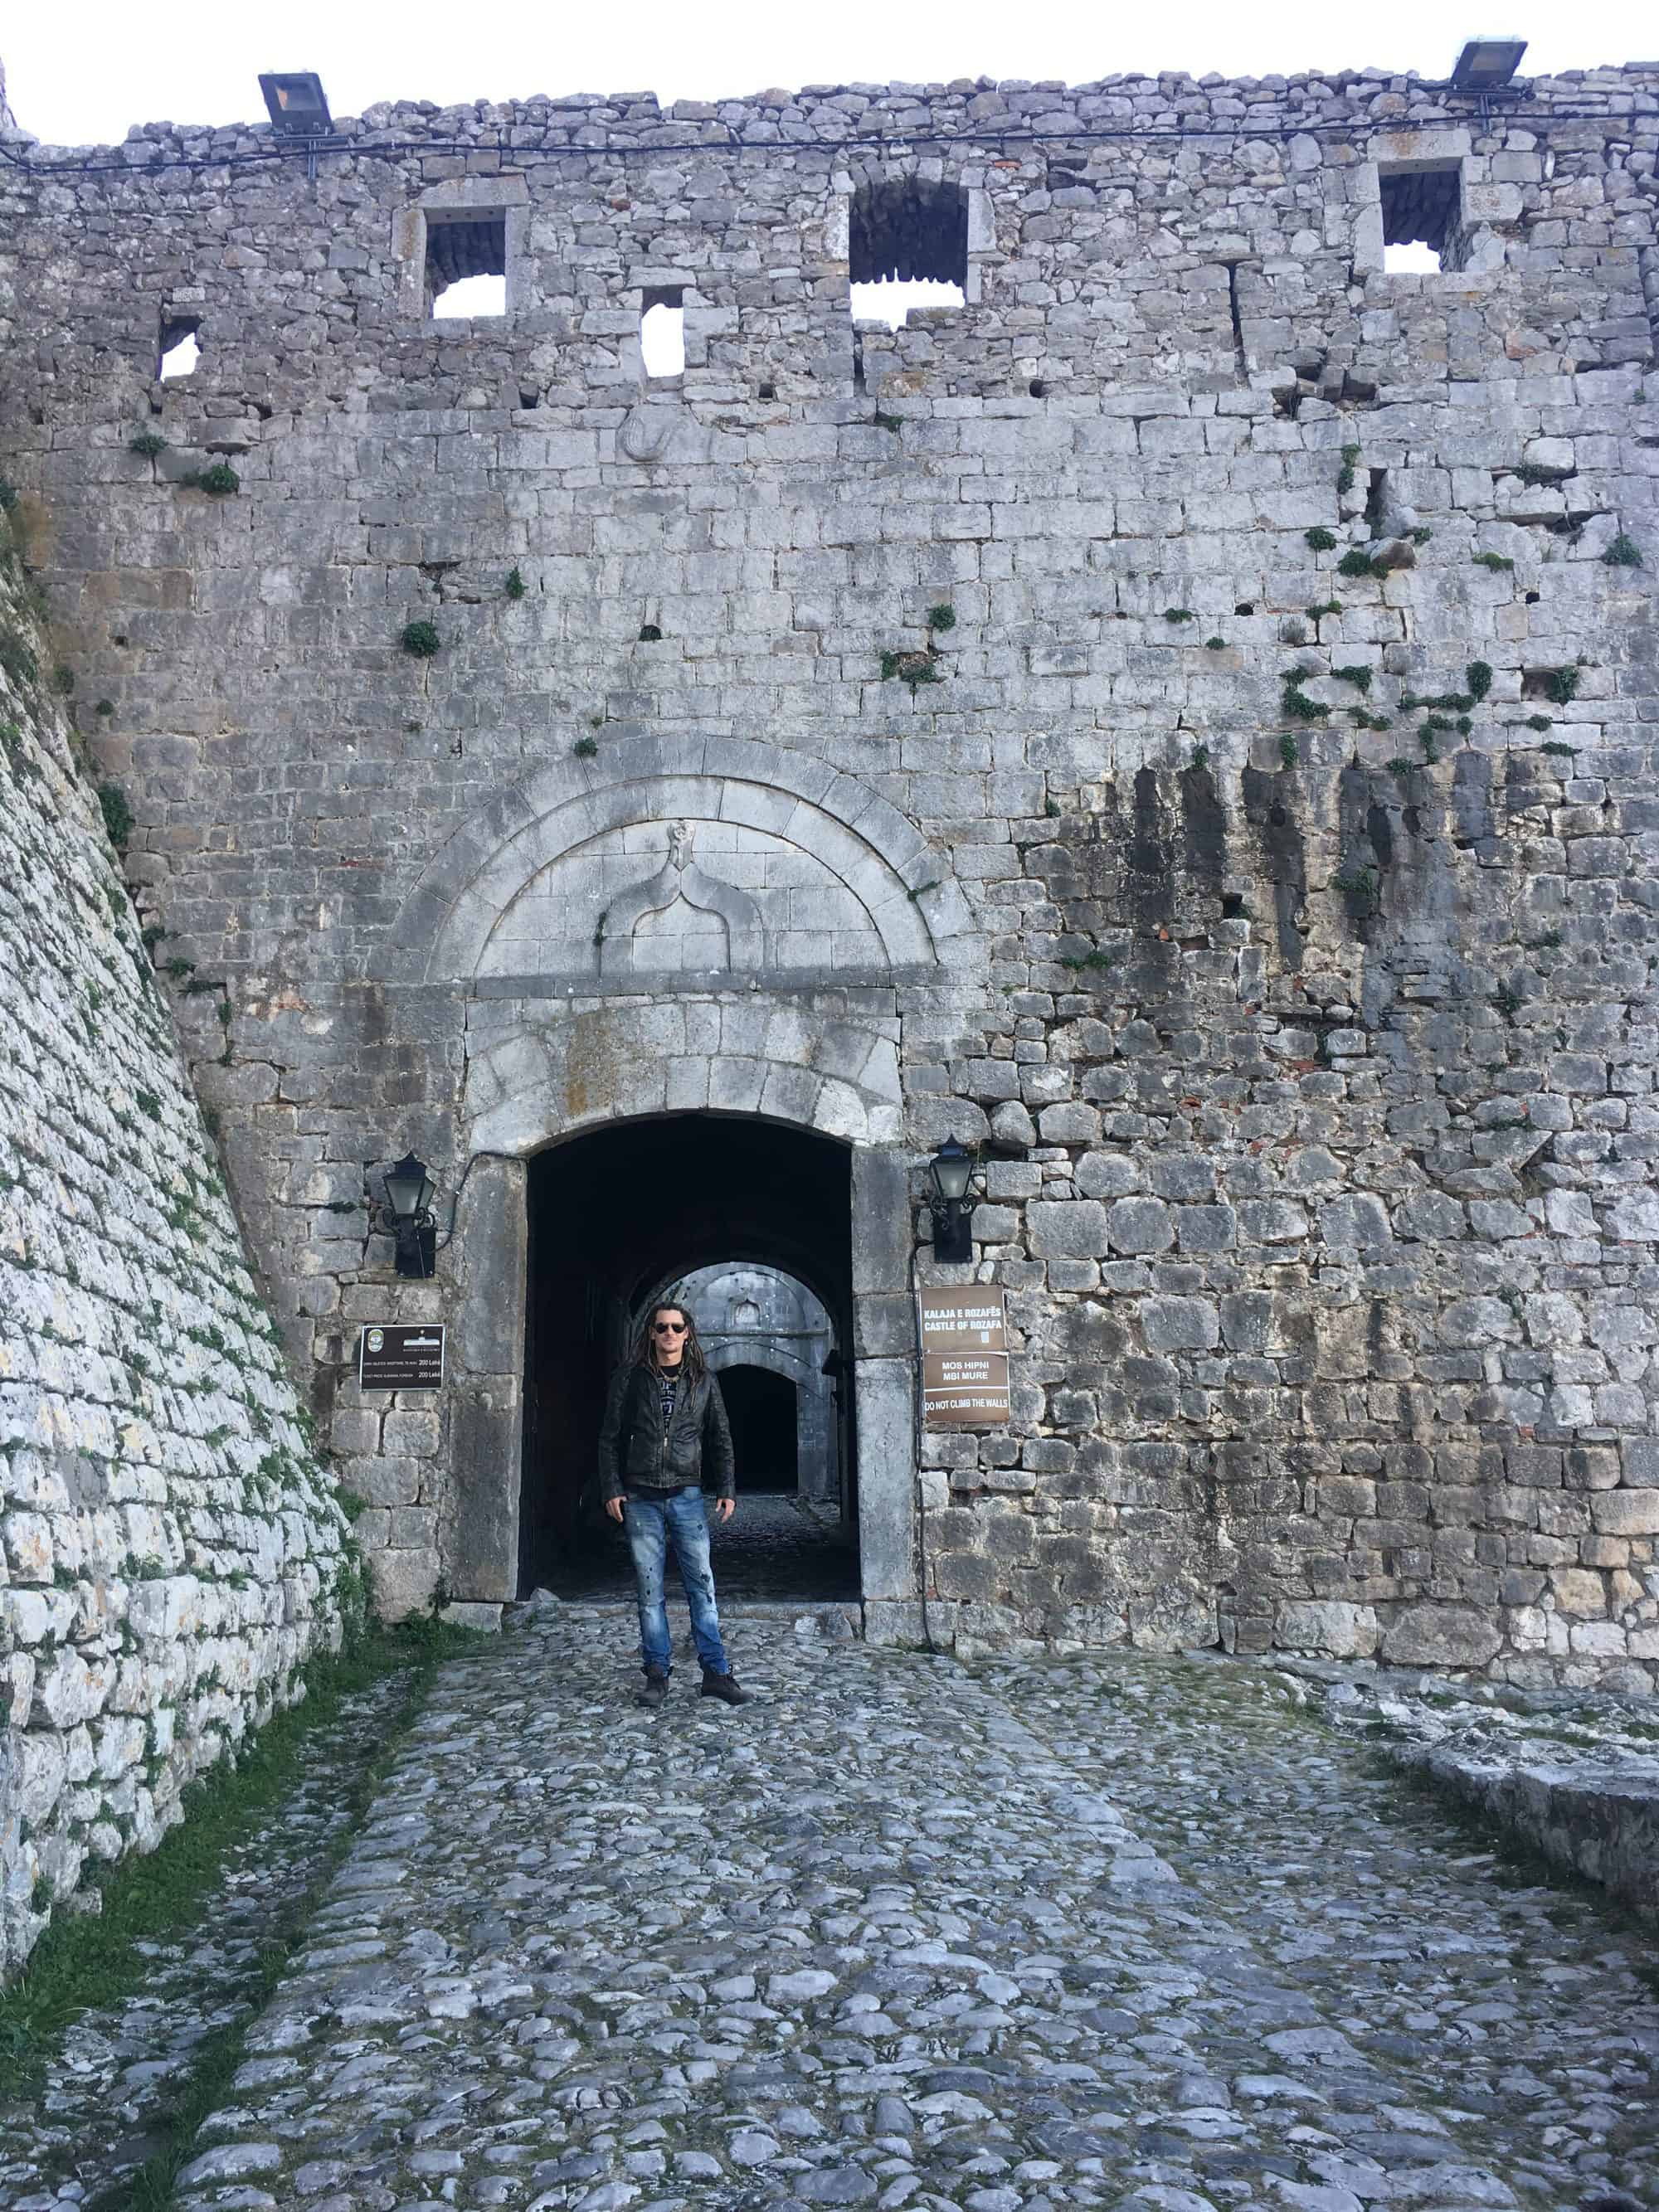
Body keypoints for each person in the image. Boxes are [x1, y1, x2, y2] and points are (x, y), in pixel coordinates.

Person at [597, 1298, 755, 1709]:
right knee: (650, 1592)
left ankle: (716, 1674)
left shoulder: (704, 1380)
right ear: (651, 1333)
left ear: (688, 1334)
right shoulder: (630, 1379)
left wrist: (727, 1487)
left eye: (677, 1328)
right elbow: (609, 1438)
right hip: (642, 1495)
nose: (669, 1334)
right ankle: (657, 1674)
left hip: (686, 1494)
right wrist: (612, 1487)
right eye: (662, 1327)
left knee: (701, 1586)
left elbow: (720, 1436)